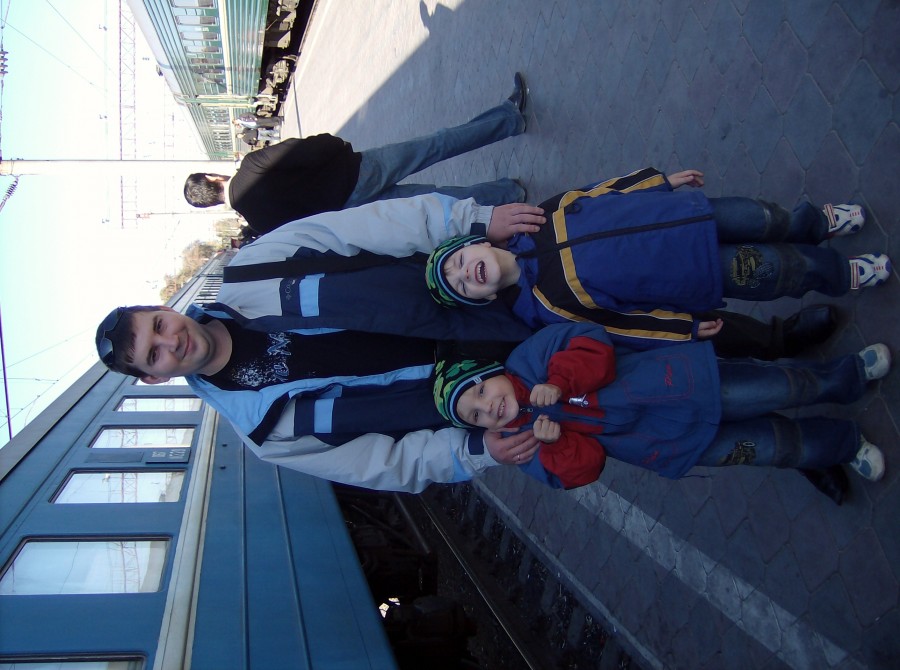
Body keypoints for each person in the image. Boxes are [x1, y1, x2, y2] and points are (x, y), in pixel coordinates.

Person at [95, 193, 850, 496]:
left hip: (498, 302)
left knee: (652, 315)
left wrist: (472, 219)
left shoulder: (257, 269)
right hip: (507, 389)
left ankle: (782, 340)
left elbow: (374, 227)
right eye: (152, 354)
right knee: (650, 386)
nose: (169, 340)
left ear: (163, 309)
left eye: (156, 324)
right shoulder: (268, 433)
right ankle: (787, 399)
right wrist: (478, 452)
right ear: (156, 378)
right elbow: (387, 464)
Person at [425, 168, 891, 350]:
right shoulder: (548, 307)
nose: (466, 273)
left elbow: (599, 192)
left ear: (477, 243)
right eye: (463, 285)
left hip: (688, 214)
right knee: (776, 270)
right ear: (483, 298)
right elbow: (622, 325)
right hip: (695, 273)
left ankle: (814, 223)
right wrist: (680, 328)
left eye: (458, 262)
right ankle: (837, 273)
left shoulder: (536, 218)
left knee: (764, 217)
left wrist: (660, 182)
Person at [432, 322, 888, 492]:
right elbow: (587, 469)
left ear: (492, 371)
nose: (489, 408)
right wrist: (556, 445)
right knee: (766, 448)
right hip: (672, 443)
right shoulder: (524, 447)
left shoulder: (531, 359)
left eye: (480, 391)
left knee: (777, 386)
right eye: (475, 415)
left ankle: (847, 376)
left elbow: (595, 344)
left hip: (686, 385)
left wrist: (558, 381)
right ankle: (842, 445)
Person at [183, 73, 530, 235]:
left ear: (212, 204)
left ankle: (507, 195)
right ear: (212, 177)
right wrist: (339, 147)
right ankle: (509, 120)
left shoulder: (259, 223)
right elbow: (304, 150)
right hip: (358, 172)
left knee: (439, 201)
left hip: (353, 210)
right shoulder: (250, 167)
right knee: (435, 146)